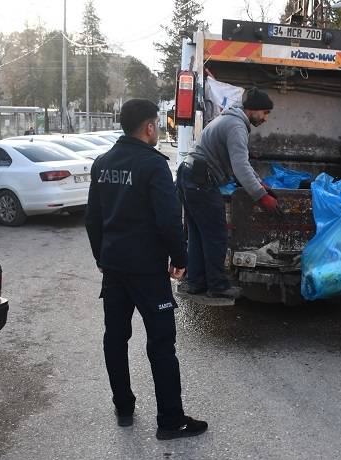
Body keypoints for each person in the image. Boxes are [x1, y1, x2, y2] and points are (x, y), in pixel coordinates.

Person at [85, 99, 207, 440]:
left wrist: (102, 256)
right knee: (162, 343)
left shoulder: (102, 163)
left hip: (114, 267)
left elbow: (92, 218)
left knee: (115, 337)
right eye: (156, 124)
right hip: (147, 271)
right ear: (149, 127)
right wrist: (180, 259)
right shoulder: (153, 166)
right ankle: (170, 420)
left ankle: (123, 406)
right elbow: (169, 220)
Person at [178, 87, 280, 305]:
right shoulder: (236, 126)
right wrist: (262, 197)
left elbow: (242, 164)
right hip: (201, 181)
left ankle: (195, 282)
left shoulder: (230, 120)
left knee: (198, 233)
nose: (265, 118)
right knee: (216, 235)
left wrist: (259, 183)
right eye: (264, 113)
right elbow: (241, 167)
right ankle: (217, 286)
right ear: (252, 110)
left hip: (191, 176)